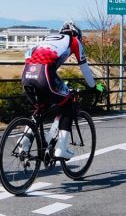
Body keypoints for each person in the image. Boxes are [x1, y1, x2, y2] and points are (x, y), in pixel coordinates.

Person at [21, 21, 102, 159]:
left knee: (40, 108)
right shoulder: (75, 41)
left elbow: (28, 54)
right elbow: (85, 68)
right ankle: (62, 148)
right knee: (68, 103)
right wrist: (94, 87)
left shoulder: (47, 38)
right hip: (44, 74)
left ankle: (24, 143)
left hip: (27, 73)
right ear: (77, 33)